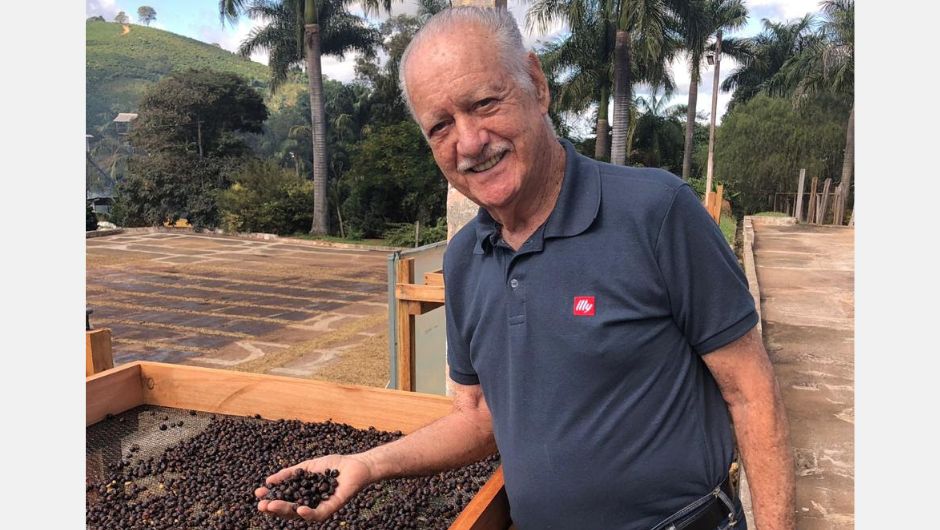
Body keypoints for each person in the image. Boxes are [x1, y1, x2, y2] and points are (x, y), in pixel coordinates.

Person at [255, 7, 795, 529]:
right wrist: (367, 464)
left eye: (485, 103)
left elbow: (751, 391)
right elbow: (478, 417)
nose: (469, 142)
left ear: (536, 84)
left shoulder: (656, 212)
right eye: (440, 126)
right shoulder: (464, 261)